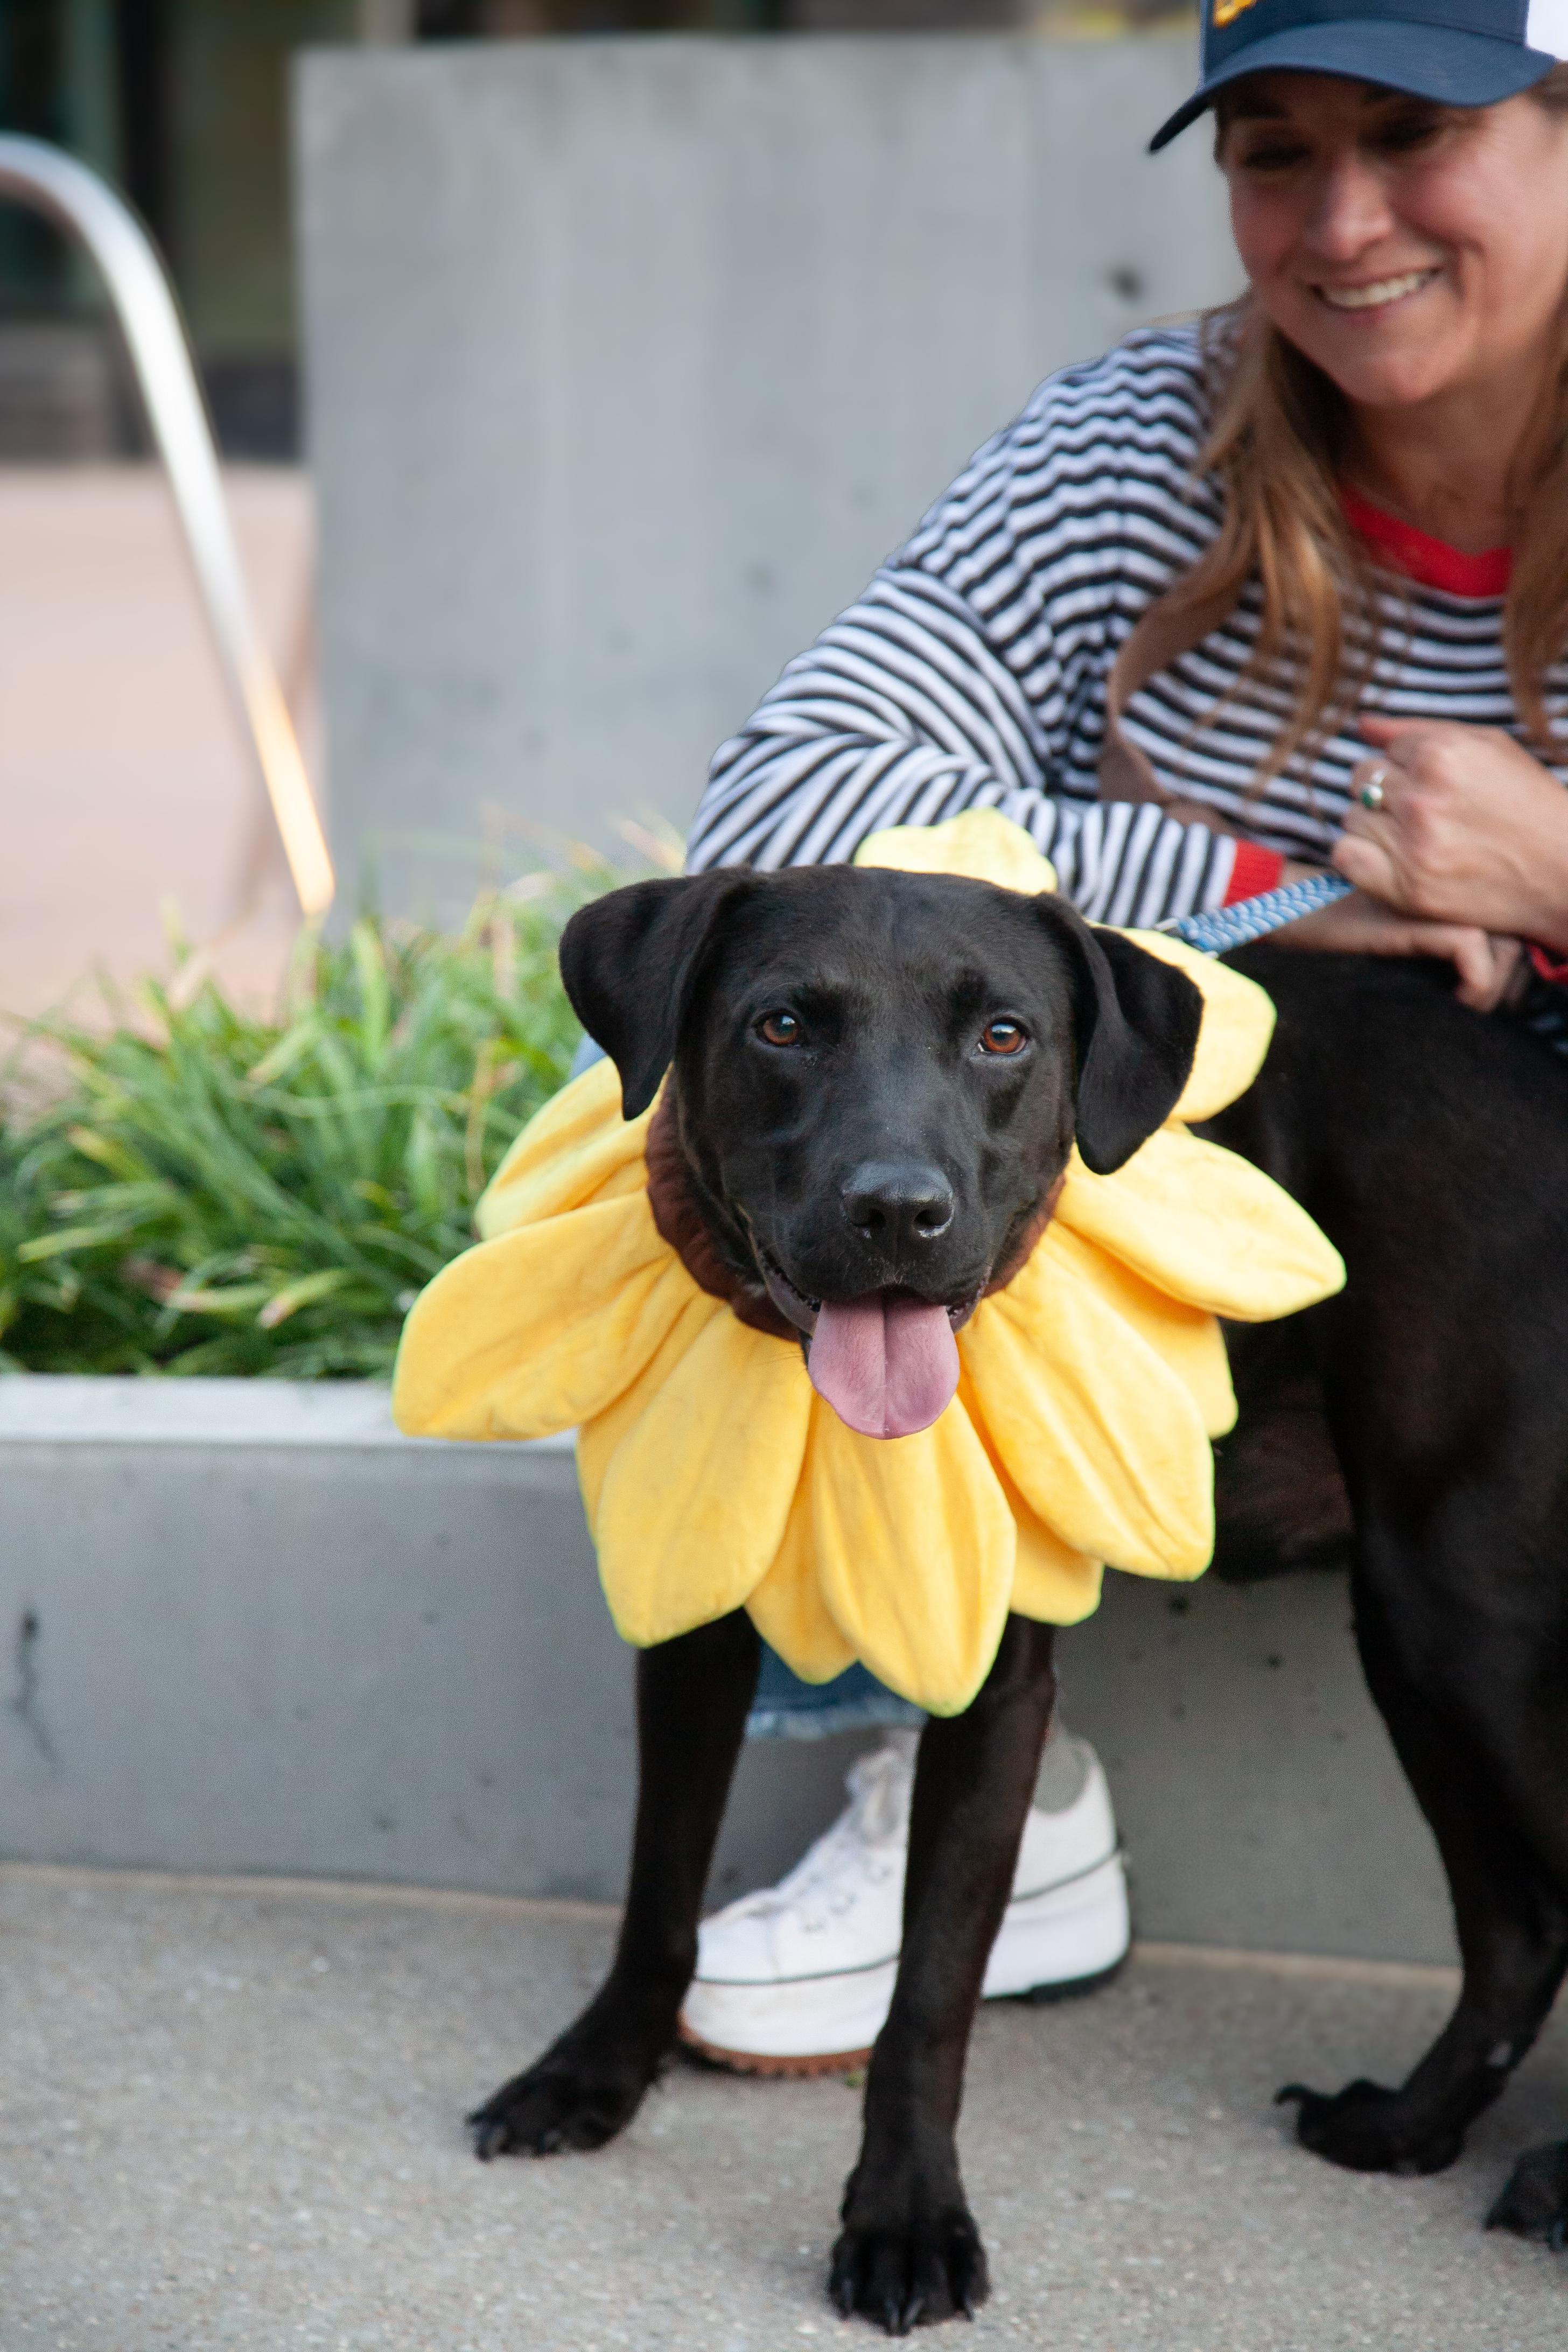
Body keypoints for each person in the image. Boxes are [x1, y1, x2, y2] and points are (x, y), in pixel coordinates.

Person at [675, 0, 1568, 2072]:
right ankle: (979, 1777)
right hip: (1232, 1300)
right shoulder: (1140, 447)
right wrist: (1295, 878)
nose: (1343, 221)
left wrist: (1544, 868)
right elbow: (782, 807)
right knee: (746, 1069)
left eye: (1415, 135)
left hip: (1515, 1288)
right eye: (1273, 149)